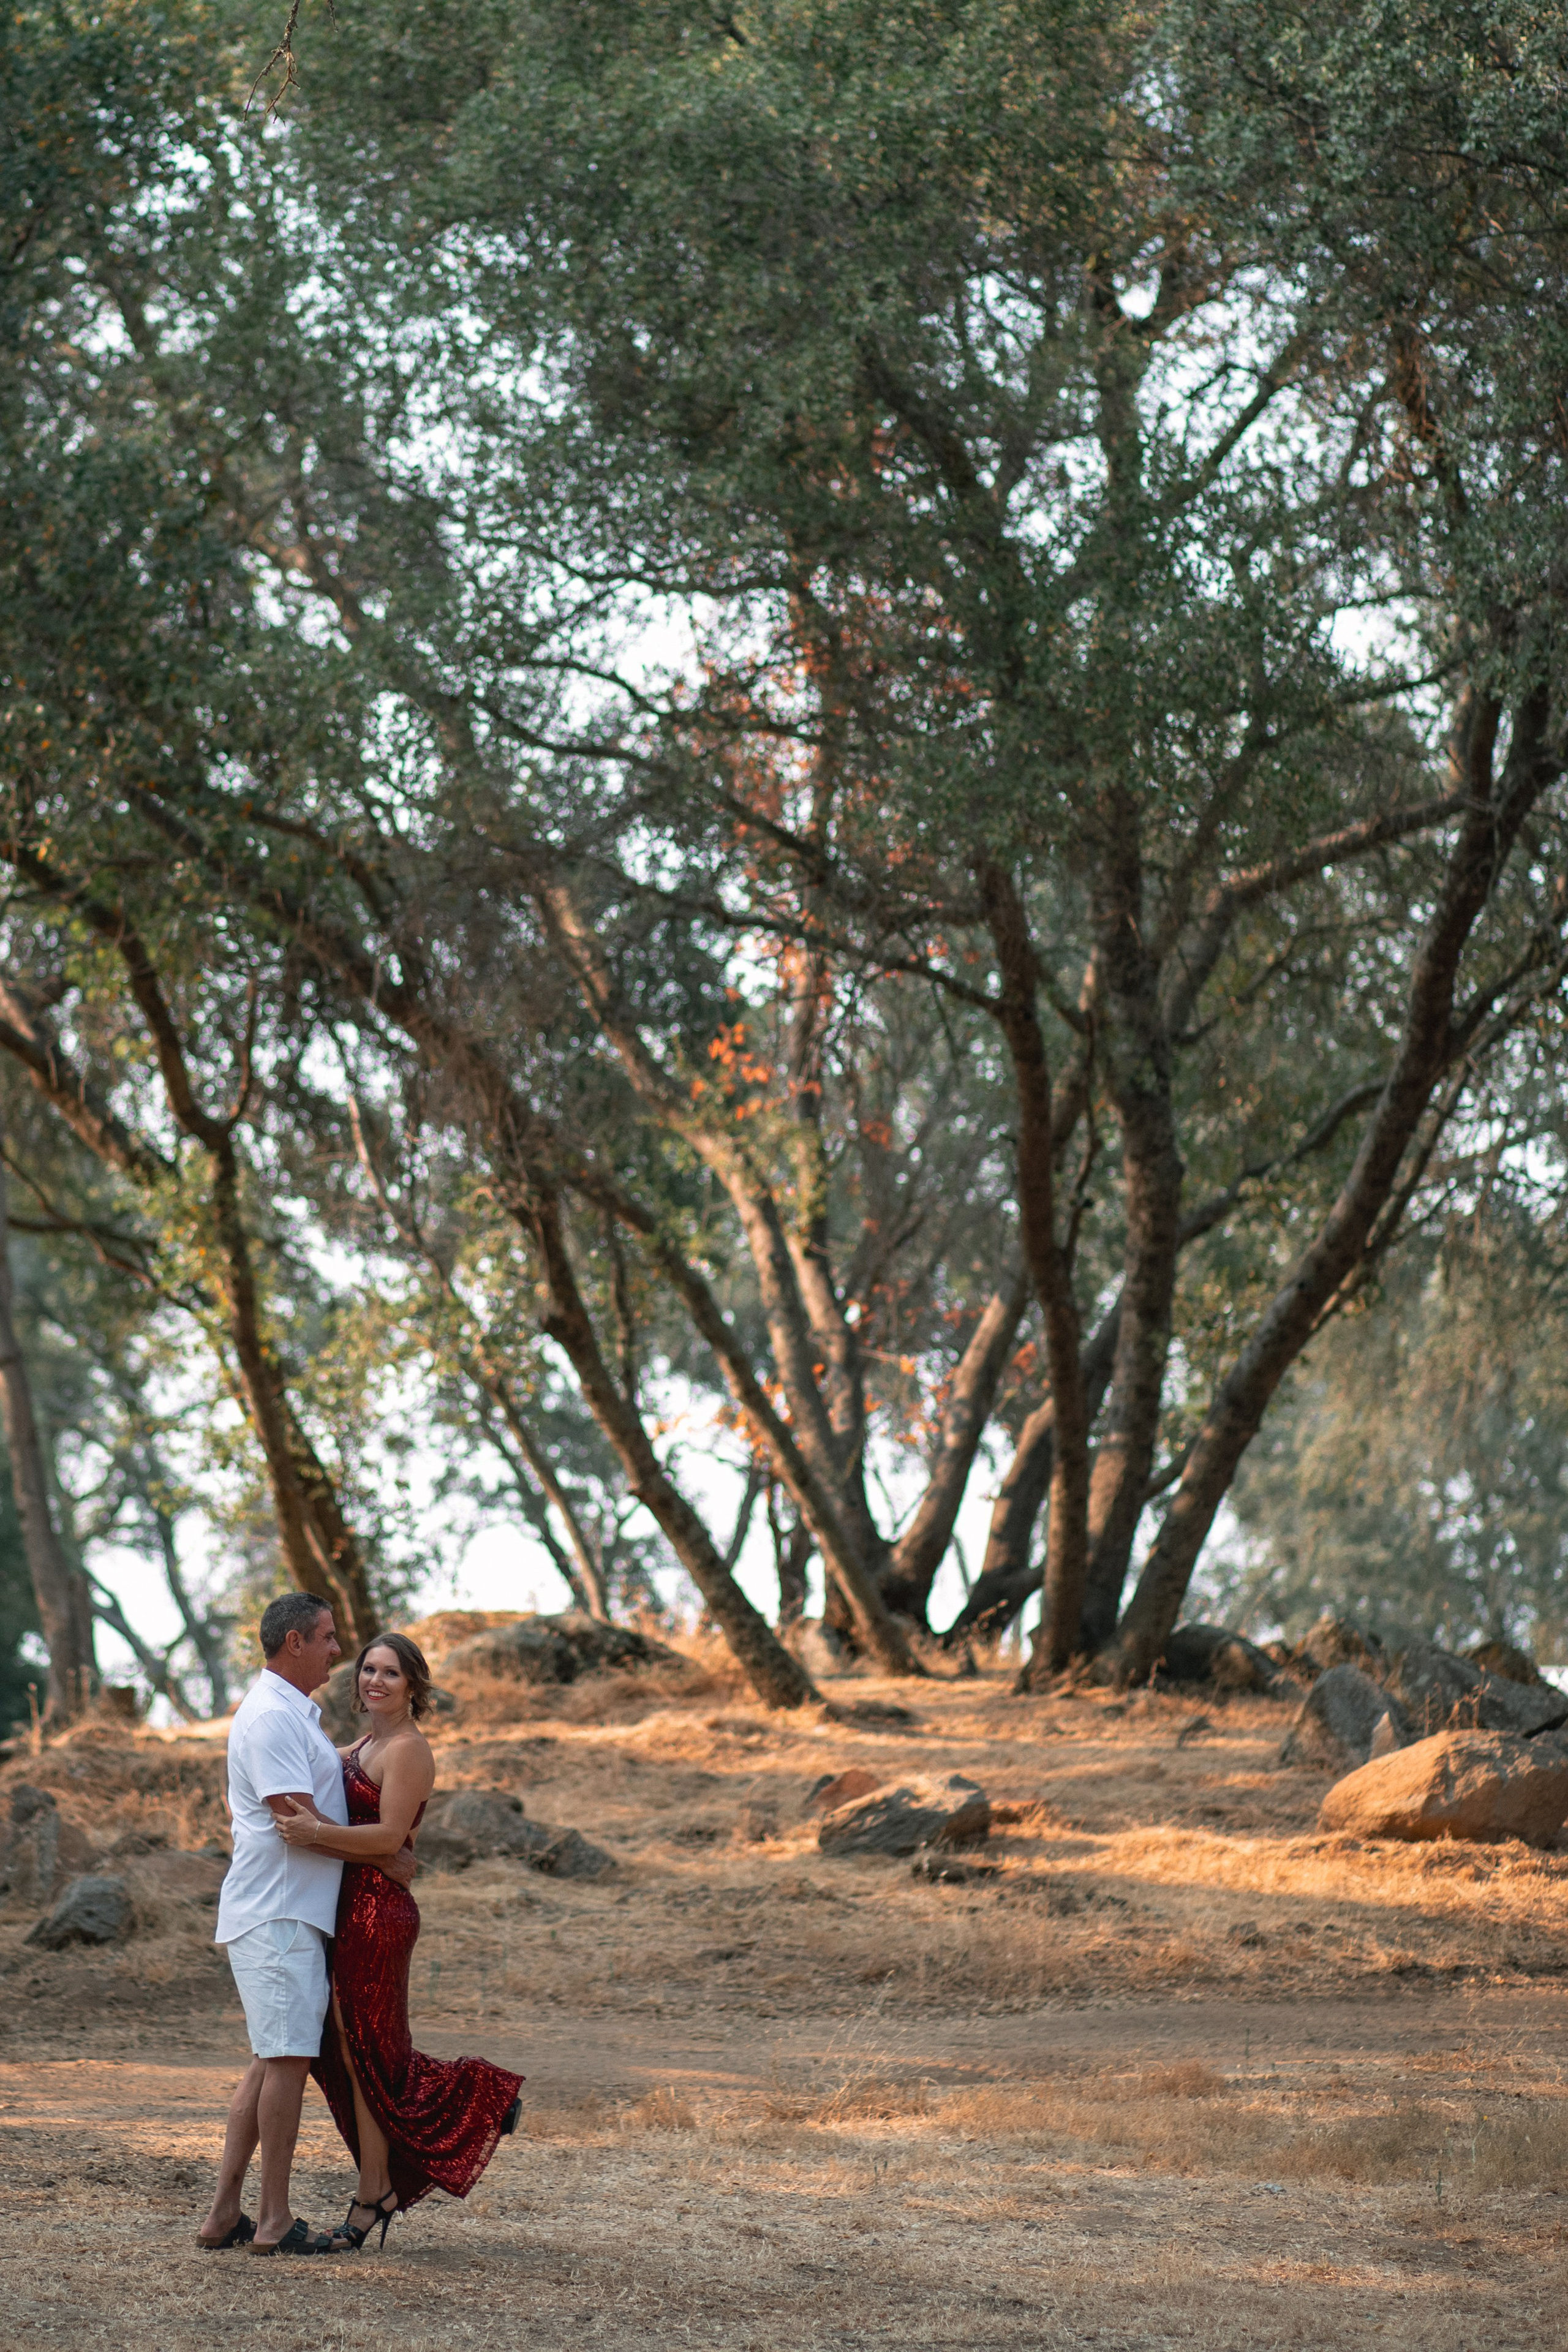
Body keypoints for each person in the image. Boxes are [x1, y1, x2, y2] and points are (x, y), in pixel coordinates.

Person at [275, 1630, 524, 2250]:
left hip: (378, 1914)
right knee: (350, 2052)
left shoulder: (408, 1749)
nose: (374, 1681)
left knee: (366, 2050)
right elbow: (305, 1768)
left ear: (414, 1685)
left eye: (390, 1672)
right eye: (367, 1670)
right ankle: (380, 2181)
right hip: (345, 1907)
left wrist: (313, 1834)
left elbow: (388, 1840)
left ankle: (465, 2108)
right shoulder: (361, 1743)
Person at [197, 1591, 413, 2256]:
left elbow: (315, 1807)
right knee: (288, 2062)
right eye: (325, 1636)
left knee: (269, 2063)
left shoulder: (295, 1715)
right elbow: (295, 1824)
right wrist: (383, 1848)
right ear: (294, 1642)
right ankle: (274, 2222)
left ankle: (225, 2215)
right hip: (279, 1913)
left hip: (289, 1913)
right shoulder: (269, 1718)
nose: (336, 1650)